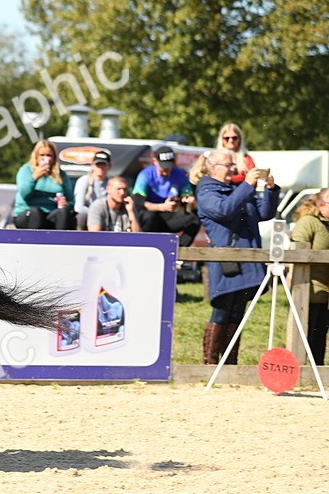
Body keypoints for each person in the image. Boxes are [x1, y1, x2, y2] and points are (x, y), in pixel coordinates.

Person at [195, 148, 280, 365]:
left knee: (237, 313)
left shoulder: (236, 189)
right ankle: (210, 365)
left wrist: (270, 189)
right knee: (222, 311)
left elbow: (264, 213)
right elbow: (224, 210)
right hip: (227, 262)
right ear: (213, 168)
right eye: (228, 164)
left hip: (246, 260)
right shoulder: (206, 191)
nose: (233, 168)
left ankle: (230, 364)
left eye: (233, 164)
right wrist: (246, 186)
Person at [290, 188, 329, 365]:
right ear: (321, 205)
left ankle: (317, 371)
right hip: (309, 289)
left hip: (325, 291)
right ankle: (302, 370)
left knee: (320, 336)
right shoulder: (308, 222)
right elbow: (297, 250)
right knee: (308, 334)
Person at [132, 146, 200, 246]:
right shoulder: (145, 175)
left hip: (169, 217)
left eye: (169, 167)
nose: (166, 171)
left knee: (194, 219)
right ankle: (146, 245)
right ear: (155, 161)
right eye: (163, 167)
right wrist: (162, 207)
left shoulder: (180, 175)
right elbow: (138, 202)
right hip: (149, 218)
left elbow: (186, 195)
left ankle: (179, 249)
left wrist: (187, 200)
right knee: (149, 215)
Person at [12, 139, 75, 230]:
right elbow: (24, 195)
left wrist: (66, 204)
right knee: (36, 213)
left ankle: (61, 239)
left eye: (49, 155)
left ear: (54, 157)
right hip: (28, 213)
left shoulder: (61, 174)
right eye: (42, 155)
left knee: (63, 213)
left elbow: (71, 200)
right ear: (36, 156)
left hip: (51, 213)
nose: (46, 159)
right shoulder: (26, 170)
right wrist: (34, 178)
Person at [73, 149, 111, 230]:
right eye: (98, 165)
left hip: (108, 217)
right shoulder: (84, 180)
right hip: (89, 216)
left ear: (109, 167)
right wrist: (97, 214)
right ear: (92, 166)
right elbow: (78, 207)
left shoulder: (111, 183)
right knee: (81, 217)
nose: (100, 168)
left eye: (104, 165)